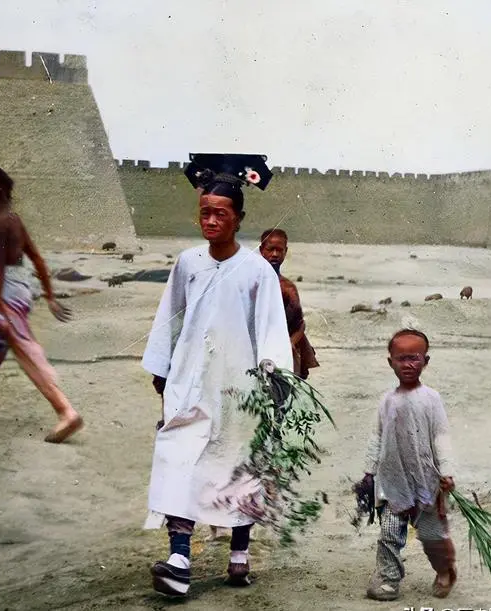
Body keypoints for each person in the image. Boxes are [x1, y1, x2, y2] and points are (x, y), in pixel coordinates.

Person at [141, 154, 293, 597]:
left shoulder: (256, 270)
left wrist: (273, 381)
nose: (210, 221)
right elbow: (171, 317)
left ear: (238, 219)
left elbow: (269, 328)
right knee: (178, 456)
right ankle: (179, 558)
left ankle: (239, 553)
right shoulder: (188, 263)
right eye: (205, 212)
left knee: (237, 460)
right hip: (189, 380)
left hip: (238, 386)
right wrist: (162, 369)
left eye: (220, 214)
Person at [0, 166, 83, 444]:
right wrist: (49, 296)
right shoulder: (15, 221)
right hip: (21, 291)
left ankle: (66, 412)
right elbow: (37, 259)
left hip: (6, 296)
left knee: (25, 353)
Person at [359, 329, 457, 601]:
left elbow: (441, 436)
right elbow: (376, 436)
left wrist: (447, 472)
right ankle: (388, 580)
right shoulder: (386, 401)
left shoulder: (431, 399)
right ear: (390, 362)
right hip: (393, 480)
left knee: (432, 534)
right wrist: (369, 472)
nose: (408, 364)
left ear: (426, 361)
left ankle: (445, 571)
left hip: (428, 481)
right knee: (389, 533)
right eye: (401, 358)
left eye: (414, 358)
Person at [259, 228, 319, 380]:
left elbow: (300, 324)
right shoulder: (251, 282)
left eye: (279, 250)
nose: (274, 254)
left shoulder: (287, 288)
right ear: (261, 250)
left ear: (285, 252)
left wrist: (290, 344)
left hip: (282, 349)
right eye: (270, 249)